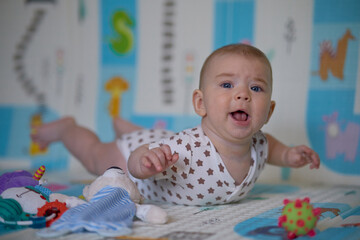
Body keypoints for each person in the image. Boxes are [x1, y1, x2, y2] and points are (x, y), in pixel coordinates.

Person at [32, 43, 320, 206]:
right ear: (200, 103)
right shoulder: (185, 147)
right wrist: (141, 164)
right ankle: (67, 128)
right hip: (139, 154)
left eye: (256, 88)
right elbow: (135, 164)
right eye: (227, 84)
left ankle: (125, 126)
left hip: (160, 141)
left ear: (268, 111)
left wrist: (290, 156)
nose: (242, 94)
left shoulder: (258, 142)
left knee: (151, 139)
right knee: (94, 156)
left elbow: (271, 147)